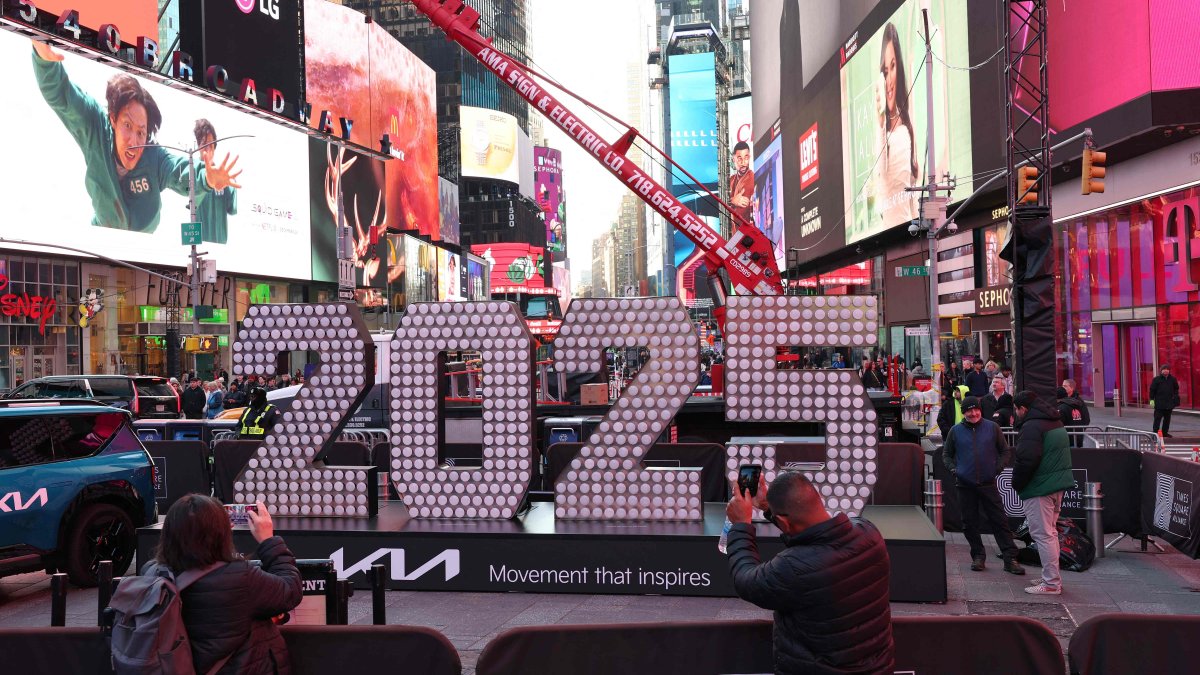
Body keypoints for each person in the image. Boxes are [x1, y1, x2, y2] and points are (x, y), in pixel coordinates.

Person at [31, 42, 241, 233]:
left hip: (140, 249)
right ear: (113, 119)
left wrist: (207, 179)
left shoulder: (154, 156)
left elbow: (180, 171)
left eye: (141, 132)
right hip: (103, 237)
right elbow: (63, 96)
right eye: (127, 126)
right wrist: (44, 61)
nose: (134, 141)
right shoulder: (95, 126)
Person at [725, 472, 893, 674]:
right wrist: (769, 508)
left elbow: (746, 580)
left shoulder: (793, 567)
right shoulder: (869, 533)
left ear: (784, 522)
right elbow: (806, 526)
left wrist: (741, 525)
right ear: (819, 500)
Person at [144, 494, 301, 673]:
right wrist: (268, 541)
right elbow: (290, 590)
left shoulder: (152, 573)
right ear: (222, 532)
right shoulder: (239, 578)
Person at [942, 396, 1024, 575]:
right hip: (965, 485)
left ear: (980, 409)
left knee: (1000, 521)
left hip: (988, 483)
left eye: (976, 409)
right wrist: (955, 470)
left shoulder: (992, 427)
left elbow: (1004, 451)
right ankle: (978, 556)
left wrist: (998, 468)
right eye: (969, 410)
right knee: (969, 523)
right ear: (964, 413)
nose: (973, 413)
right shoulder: (955, 431)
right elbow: (946, 454)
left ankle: (1010, 558)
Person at [1011, 390, 1074, 595]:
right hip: (1056, 485)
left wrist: (1017, 484)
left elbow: (1026, 460)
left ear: (1023, 408)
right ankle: (1051, 576)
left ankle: (1051, 583)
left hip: (1040, 487)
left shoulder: (1031, 426)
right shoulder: (1055, 421)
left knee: (1043, 535)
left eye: (1016, 409)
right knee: (1051, 533)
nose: (1016, 414)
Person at [870, 22, 919, 234]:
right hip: (894, 234)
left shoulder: (904, 132)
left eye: (893, 66)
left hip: (907, 233)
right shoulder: (885, 132)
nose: (889, 80)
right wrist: (881, 124)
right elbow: (883, 187)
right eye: (885, 70)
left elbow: (902, 195)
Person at [1056, 379, 1090, 447]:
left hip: (1073, 438)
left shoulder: (1080, 402)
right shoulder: (1063, 403)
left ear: (1072, 388)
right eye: (1062, 386)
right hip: (1070, 438)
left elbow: (1086, 419)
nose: (1063, 388)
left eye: (1065, 386)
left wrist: (1079, 430)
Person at [1149, 365, 1180, 438]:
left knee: (1167, 419)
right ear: (1161, 370)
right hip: (1159, 403)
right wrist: (1151, 400)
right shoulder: (1156, 379)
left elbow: (1176, 388)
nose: (1166, 370)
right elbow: (1152, 390)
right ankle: (1155, 434)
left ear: (1169, 370)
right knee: (1157, 419)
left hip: (1169, 403)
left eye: (1167, 369)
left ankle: (1165, 433)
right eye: (1164, 369)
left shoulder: (1173, 379)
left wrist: (1175, 397)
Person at [728, 140, 755, 224]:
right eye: (739, 159)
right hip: (734, 232)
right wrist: (732, 201)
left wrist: (731, 202)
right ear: (733, 159)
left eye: (746, 158)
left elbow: (740, 212)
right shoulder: (731, 179)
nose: (743, 163)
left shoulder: (752, 178)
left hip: (745, 233)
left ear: (749, 157)